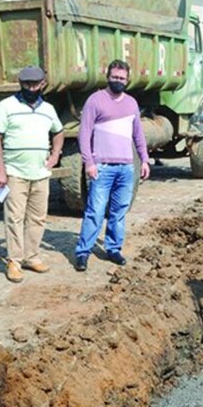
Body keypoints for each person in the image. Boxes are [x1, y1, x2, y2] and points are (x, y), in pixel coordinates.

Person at [73, 60, 150, 271]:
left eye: (122, 78)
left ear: (128, 80)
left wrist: (144, 159)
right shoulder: (95, 101)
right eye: (115, 77)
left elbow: (138, 134)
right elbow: (84, 133)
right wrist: (89, 162)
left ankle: (113, 248)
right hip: (102, 167)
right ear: (108, 77)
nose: (118, 81)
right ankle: (82, 252)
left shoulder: (131, 104)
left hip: (126, 168)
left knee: (119, 211)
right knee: (95, 211)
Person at [0, 66, 64, 283]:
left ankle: (31, 256)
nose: (31, 88)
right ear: (20, 84)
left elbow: (58, 132)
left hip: (40, 173)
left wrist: (55, 155)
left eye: (35, 84)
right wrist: (1, 170)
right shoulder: (7, 106)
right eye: (27, 85)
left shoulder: (48, 109)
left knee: (38, 217)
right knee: (14, 217)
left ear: (43, 84)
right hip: (15, 173)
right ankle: (14, 261)